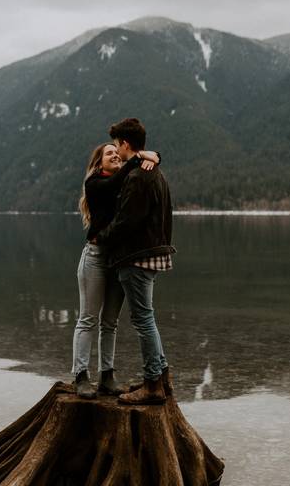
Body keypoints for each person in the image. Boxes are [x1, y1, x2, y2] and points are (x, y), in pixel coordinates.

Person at [94, 117, 175, 405]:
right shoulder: (153, 170)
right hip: (152, 252)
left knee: (143, 319)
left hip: (136, 256)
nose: (116, 150)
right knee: (147, 317)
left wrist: (101, 236)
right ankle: (161, 378)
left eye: (117, 145)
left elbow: (127, 220)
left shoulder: (139, 176)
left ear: (126, 144)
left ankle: (153, 384)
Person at [72, 142, 160, 399]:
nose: (114, 156)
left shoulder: (126, 180)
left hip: (118, 258)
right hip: (96, 256)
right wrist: (140, 157)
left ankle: (107, 376)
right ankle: (80, 375)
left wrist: (155, 159)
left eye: (115, 152)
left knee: (110, 322)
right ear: (99, 163)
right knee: (88, 319)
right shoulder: (95, 183)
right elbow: (115, 182)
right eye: (108, 154)